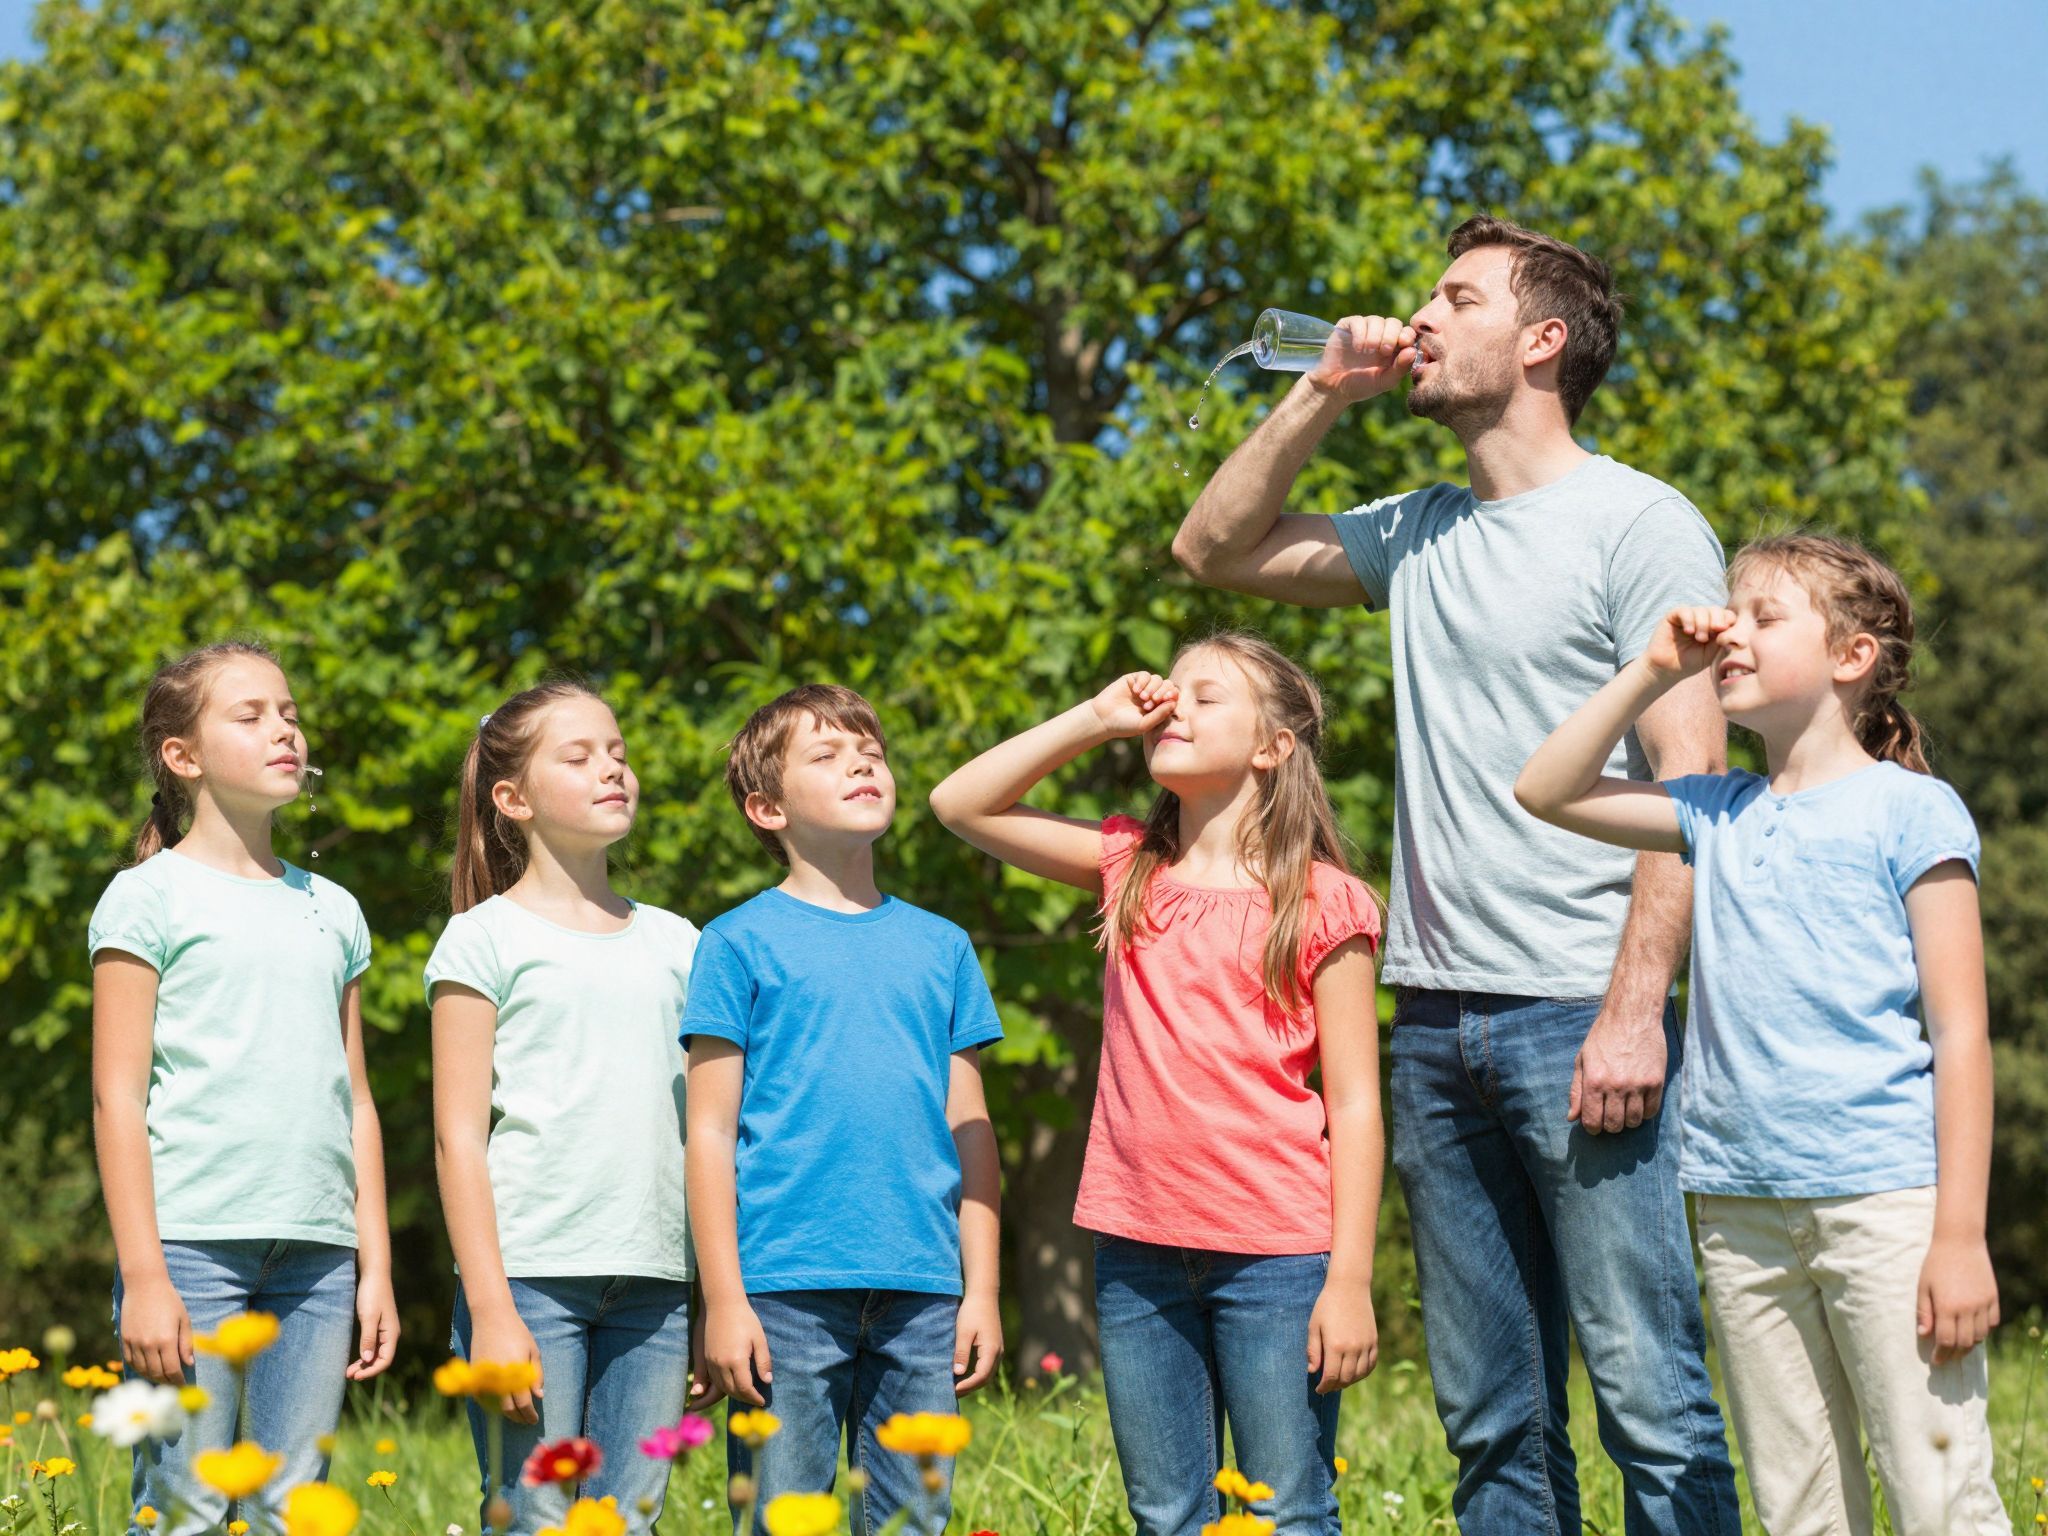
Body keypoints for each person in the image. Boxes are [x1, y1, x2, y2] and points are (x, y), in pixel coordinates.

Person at [1172, 216, 1738, 1533]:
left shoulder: (1639, 523)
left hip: (1578, 1014)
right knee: (1492, 1422)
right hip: (1431, 1023)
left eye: (1456, 297)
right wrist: (1323, 390)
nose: (1417, 316)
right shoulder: (1419, 530)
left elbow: (1690, 784)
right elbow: (1213, 550)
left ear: (1541, 341)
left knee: (1650, 1404)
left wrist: (1634, 1011)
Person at [1516, 532, 2008, 1535]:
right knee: (1797, 1508)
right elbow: (1545, 789)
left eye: (1762, 618)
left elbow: (1961, 1035)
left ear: (1851, 656)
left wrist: (1959, 1238)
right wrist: (1653, 670)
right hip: (1738, 1206)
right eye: (1727, 614)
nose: (1729, 635)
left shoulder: (1911, 811)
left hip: (1883, 1205)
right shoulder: (1716, 811)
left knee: (1938, 1498)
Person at [931, 632, 1383, 1536]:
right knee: (1166, 1514)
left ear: (1272, 748)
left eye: (1207, 697)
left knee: (1289, 1510)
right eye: (1170, 693)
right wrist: (1095, 719)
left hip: (1278, 1258)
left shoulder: (1325, 899)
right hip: (1137, 1252)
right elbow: (959, 803)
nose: (1174, 706)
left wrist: (1351, 1279)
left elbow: (1357, 1104)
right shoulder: (1128, 866)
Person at [89, 641, 398, 1536]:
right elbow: (117, 1099)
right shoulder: (146, 898)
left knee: (293, 1510)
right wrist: (144, 1274)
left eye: (290, 714)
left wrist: (375, 1265)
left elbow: (358, 1100)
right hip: (190, 1250)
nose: (284, 731)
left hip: (319, 1256)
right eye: (251, 715)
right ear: (182, 756)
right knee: (183, 1507)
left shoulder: (334, 909)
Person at [684, 684, 1003, 1536]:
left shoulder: (943, 946)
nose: (861, 763)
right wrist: (723, 1298)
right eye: (826, 755)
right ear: (768, 808)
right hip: (783, 1291)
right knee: (782, 1520)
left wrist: (982, 1291)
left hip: (924, 1291)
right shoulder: (734, 942)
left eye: (871, 751)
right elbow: (709, 1133)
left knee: (914, 1523)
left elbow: (973, 1135)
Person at [427, 681, 703, 1535]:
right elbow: (458, 1139)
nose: (611, 769)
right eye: (578, 757)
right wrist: (492, 1309)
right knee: (535, 1518)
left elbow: (707, 1132)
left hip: (659, 1283)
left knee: (631, 1521)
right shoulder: (483, 938)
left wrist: (711, 1293)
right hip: (530, 1281)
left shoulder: (682, 942)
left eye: (617, 753)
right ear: (514, 800)